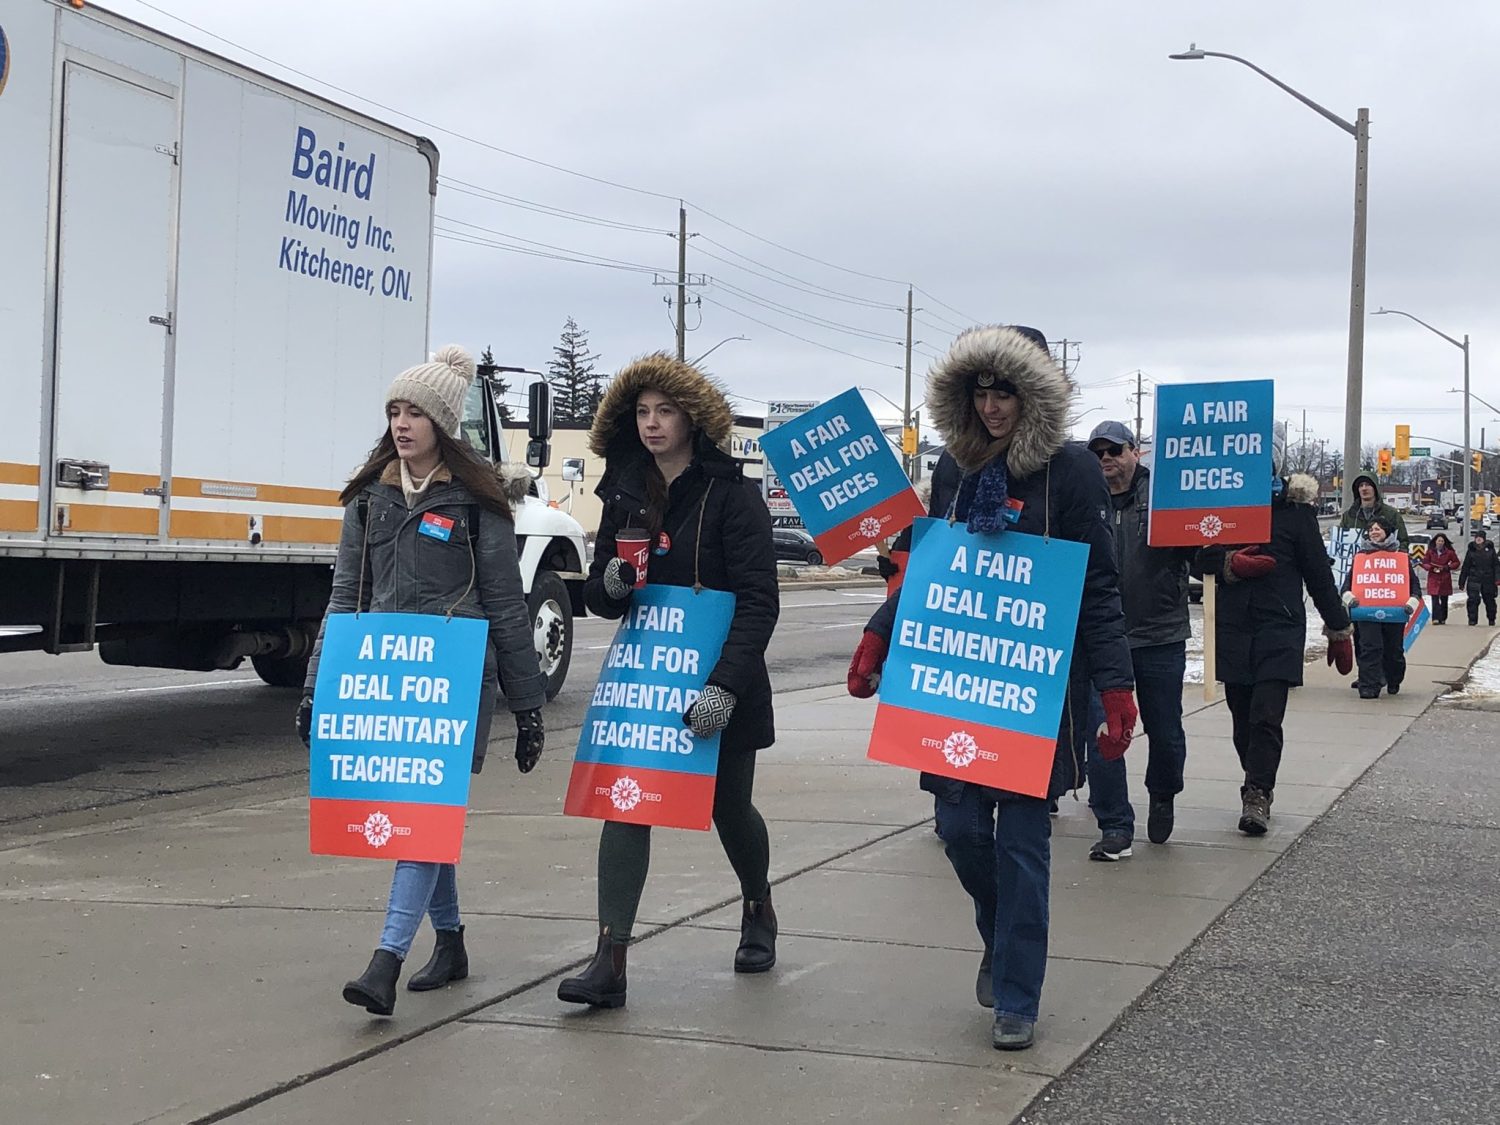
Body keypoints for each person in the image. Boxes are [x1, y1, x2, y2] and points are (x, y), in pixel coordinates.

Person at [845, 325, 1138, 1052]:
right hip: (960, 683)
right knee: (960, 832)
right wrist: (882, 632)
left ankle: (1018, 994)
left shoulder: (1070, 473)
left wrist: (1116, 686)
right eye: (980, 388)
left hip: (1037, 689)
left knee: (1023, 843)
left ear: (1032, 391)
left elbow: (1098, 586)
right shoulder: (954, 467)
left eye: (1005, 388)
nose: (992, 403)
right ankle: (1003, 938)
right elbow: (927, 569)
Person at [298, 345, 548, 1017]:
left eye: (414, 412)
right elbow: (344, 596)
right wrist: (315, 689)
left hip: (452, 680)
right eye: (393, 411)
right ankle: (453, 941)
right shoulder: (367, 498)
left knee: (421, 817)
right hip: (383, 681)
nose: (402, 423)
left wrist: (527, 707)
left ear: (442, 421)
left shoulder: (477, 503)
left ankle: (385, 961)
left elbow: (504, 605)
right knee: (421, 820)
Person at [557, 353, 780, 1009]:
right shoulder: (624, 491)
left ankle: (758, 905)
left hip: (720, 684)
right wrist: (611, 586)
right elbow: (600, 594)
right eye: (643, 412)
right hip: (646, 680)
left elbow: (760, 602)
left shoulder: (733, 496)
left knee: (727, 807)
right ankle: (610, 957)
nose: (652, 424)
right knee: (625, 802)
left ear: (693, 420)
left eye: (666, 411)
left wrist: (724, 688)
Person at [1196, 473, 1353, 836]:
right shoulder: (1221, 509)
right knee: (1242, 721)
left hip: (1279, 628)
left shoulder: (1296, 514)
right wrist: (1227, 563)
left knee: (1266, 716)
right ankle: (1255, 776)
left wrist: (1338, 628)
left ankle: (1257, 794)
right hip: (1233, 628)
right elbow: (1194, 560)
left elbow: (1318, 574)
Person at [1085, 420, 1194, 851]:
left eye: (1114, 450)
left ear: (1135, 452)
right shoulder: (1084, 499)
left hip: (1160, 633)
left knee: (1165, 730)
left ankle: (1163, 793)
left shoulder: (1165, 495)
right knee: (1103, 730)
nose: (1106, 459)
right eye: (1098, 453)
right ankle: (1115, 824)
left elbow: (1198, 547)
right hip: (1103, 635)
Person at [1341, 516, 1423, 699]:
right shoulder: (1361, 559)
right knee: (1370, 648)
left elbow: (1414, 586)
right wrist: (1349, 597)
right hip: (1365, 612)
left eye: (1378, 529)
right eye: (1371, 530)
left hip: (1395, 613)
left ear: (1387, 532)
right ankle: (1369, 686)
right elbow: (1347, 585)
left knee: (1393, 650)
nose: (1374, 532)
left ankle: (1393, 679)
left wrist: (1412, 602)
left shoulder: (1400, 558)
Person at [1339, 474, 1410, 547]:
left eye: (1368, 485)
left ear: (1375, 488)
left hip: (1382, 557)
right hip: (1355, 557)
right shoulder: (1349, 516)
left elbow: (1403, 541)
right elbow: (1340, 541)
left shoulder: (1391, 514)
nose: (1364, 488)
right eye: (1361, 485)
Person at [1458, 528, 1498, 626]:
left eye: (1480, 538)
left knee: (1489, 601)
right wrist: (1462, 582)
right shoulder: (1471, 550)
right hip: (1474, 579)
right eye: (1477, 537)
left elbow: (1496, 565)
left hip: (1488, 579)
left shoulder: (1490, 550)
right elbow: (1466, 567)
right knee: (1473, 600)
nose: (1478, 539)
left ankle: (1491, 619)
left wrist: (1497, 578)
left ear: (1484, 539)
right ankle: (1472, 620)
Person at [1420, 532, 1460, 625]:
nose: (1440, 543)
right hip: (1433, 577)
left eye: (1442, 541)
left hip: (1444, 578)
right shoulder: (1430, 552)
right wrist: (1430, 567)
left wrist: (1447, 567)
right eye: (1439, 541)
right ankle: (1435, 618)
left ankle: (1443, 618)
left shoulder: (1449, 552)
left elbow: (1456, 563)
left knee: (1444, 599)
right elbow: (1425, 562)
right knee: (1434, 599)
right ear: (1435, 542)